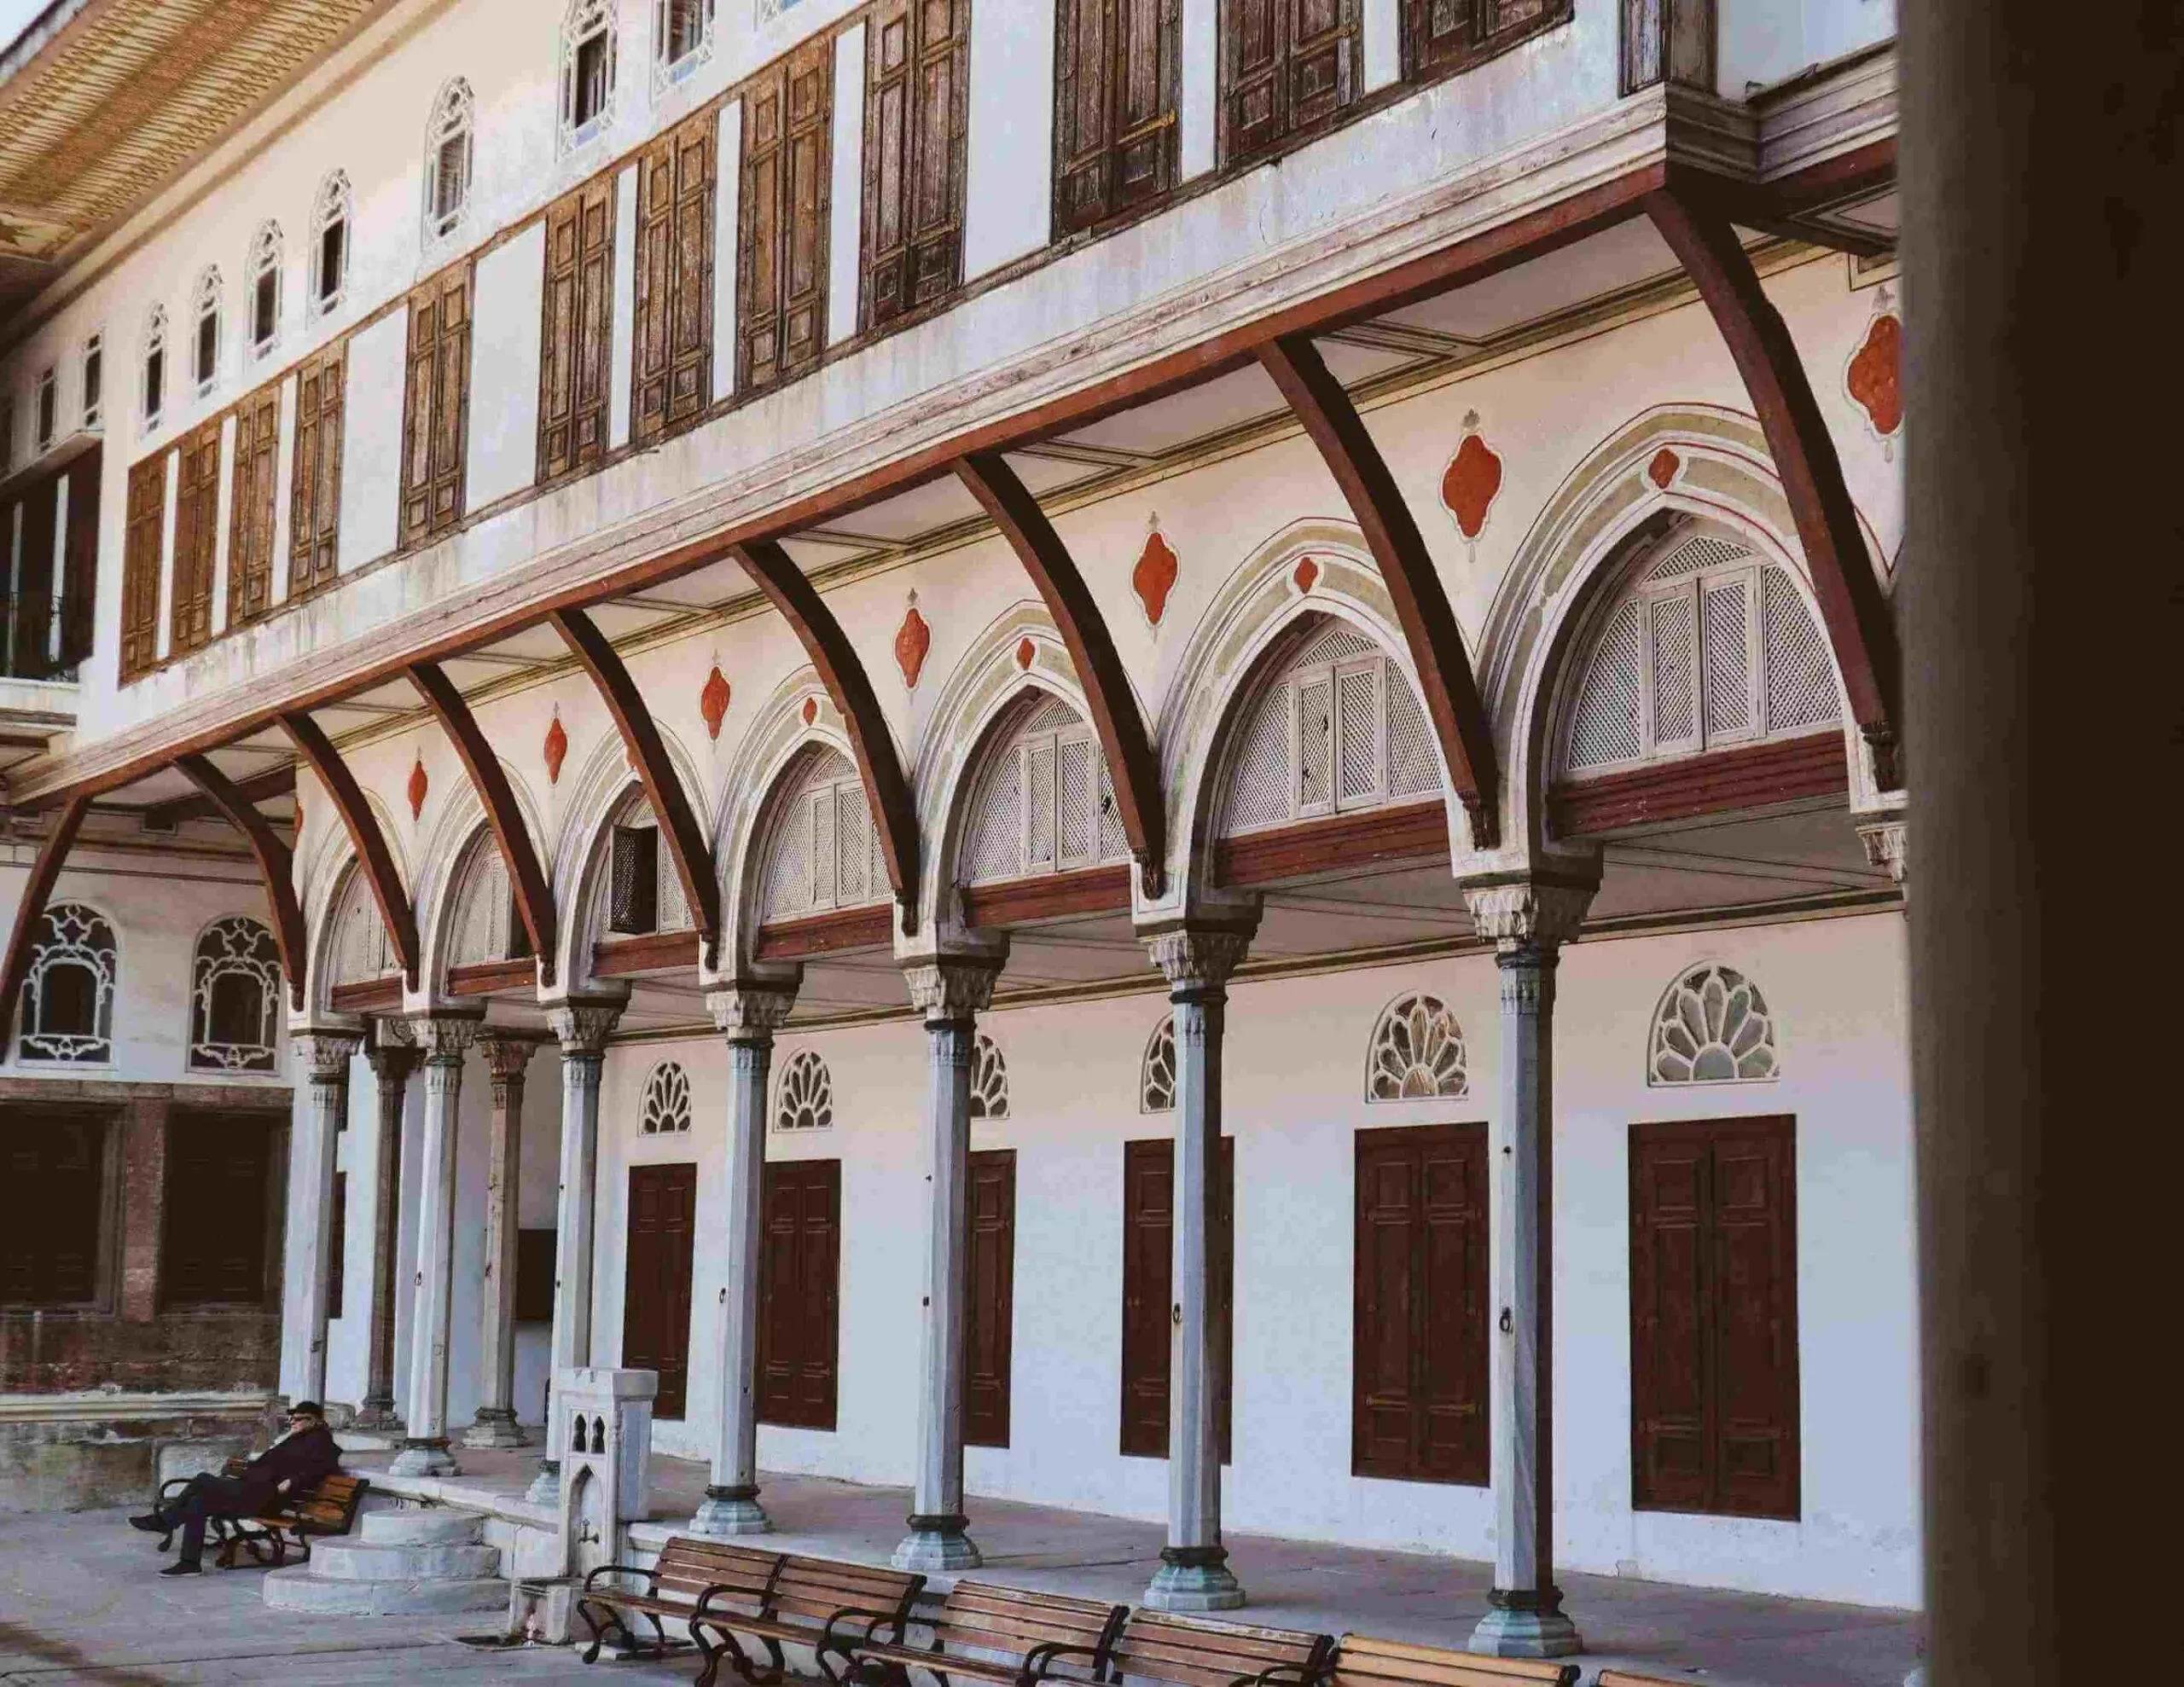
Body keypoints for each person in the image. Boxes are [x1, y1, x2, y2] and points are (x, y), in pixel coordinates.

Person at [130, 1400, 343, 1576]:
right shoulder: (298, 1438)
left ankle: (166, 1522)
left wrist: (293, 1481)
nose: (292, 1422)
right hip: (252, 1490)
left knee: (203, 1479)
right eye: (291, 1418)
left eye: (297, 1419)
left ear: (313, 1420)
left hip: (264, 1499)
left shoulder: (321, 1441)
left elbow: (324, 1466)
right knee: (197, 1503)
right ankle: (189, 1562)